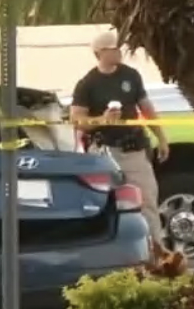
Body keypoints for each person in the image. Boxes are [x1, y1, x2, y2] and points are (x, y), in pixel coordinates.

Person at [69, 30, 169, 245]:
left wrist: (161, 137)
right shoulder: (87, 83)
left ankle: (157, 254)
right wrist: (103, 120)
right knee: (107, 205)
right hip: (104, 152)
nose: (119, 51)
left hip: (134, 150)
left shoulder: (131, 75)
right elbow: (77, 121)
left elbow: (146, 108)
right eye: (113, 48)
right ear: (100, 53)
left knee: (148, 202)